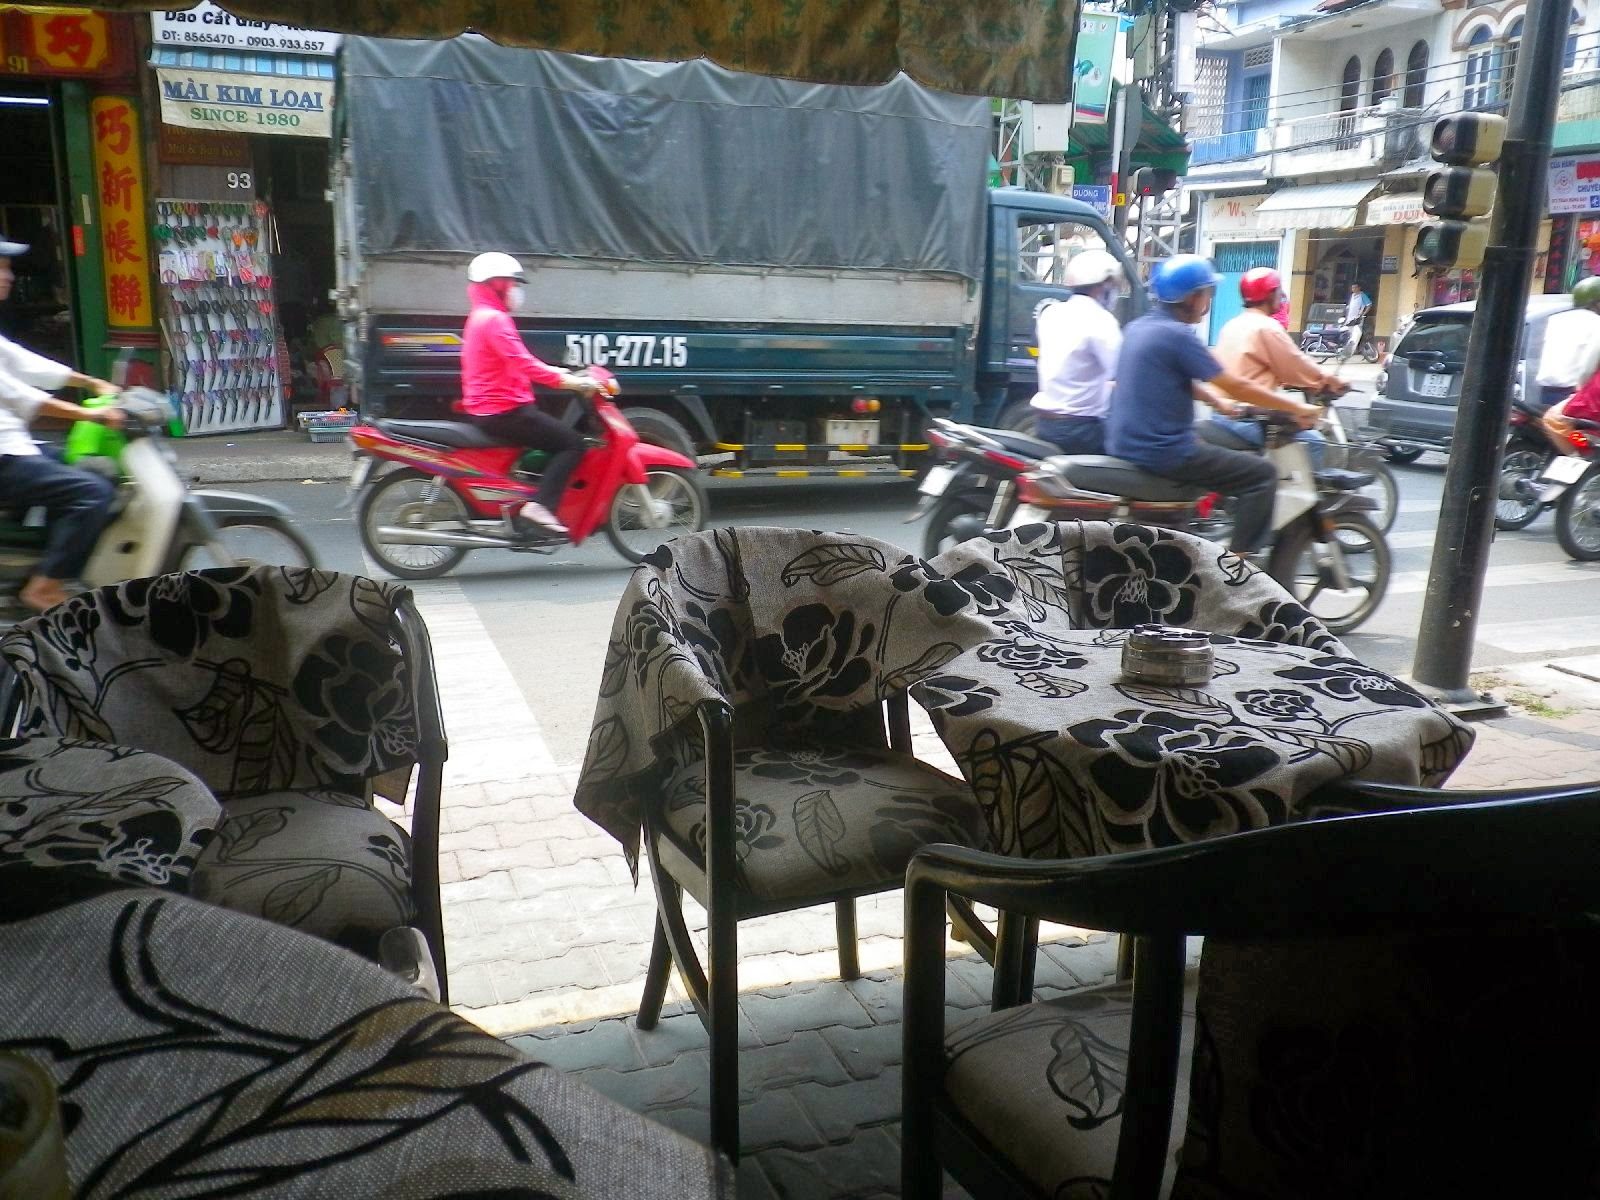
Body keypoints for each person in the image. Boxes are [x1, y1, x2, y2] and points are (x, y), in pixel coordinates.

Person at [1105, 254, 1322, 557]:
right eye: (1207, 293)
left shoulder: (1139, 327)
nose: (1208, 300)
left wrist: (1216, 400)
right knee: (1261, 475)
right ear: (1193, 297)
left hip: (1125, 442)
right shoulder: (1178, 335)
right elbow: (1235, 384)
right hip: (1163, 451)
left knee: (1212, 449)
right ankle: (1237, 569)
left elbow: (1174, 378)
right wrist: (1295, 406)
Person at [0, 234, 125, 613]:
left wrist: (89, 382)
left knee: (92, 472)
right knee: (91, 494)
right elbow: (22, 396)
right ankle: (43, 587)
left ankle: (48, 564)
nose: (8, 276)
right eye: (1, 268)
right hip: (5, 456)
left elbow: (26, 362)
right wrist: (91, 413)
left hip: (14, 444)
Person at [459, 252, 601, 535]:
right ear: (496, 283)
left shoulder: (481, 316)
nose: (516, 290)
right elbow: (524, 363)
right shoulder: (494, 319)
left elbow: (519, 361)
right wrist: (568, 382)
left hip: (493, 408)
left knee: (550, 435)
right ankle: (540, 508)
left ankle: (525, 498)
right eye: (513, 284)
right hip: (503, 411)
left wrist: (563, 373)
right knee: (572, 444)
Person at [1208, 267, 1350, 470]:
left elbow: (1261, 366)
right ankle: (1310, 501)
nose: (1281, 297)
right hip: (1246, 419)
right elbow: (1295, 362)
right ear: (1270, 294)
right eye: (1278, 292)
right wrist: (1329, 379)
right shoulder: (1267, 327)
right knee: (1314, 442)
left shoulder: (1233, 324)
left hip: (1223, 413)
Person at [1029, 249, 1124, 454]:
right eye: (1113, 286)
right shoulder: (1102, 321)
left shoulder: (1051, 313)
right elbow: (1121, 373)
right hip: (1083, 430)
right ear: (1104, 287)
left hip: (1045, 424)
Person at [1533, 276, 1600, 414]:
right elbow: (1588, 367)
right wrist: (1581, 390)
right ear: (1597, 303)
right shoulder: (1596, 323)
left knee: (1551, 433)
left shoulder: (1556, 320)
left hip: (1546, 390)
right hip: (1573, 393)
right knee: (1577, 435)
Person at [1340, 281, 1372, 360]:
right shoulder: (1352, 295)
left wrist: (1363, 314)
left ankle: (1351, 351)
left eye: (1355, 287)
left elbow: (1369, 305)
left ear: (1359, 288)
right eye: (1352, 287)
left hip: (1357, 319)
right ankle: (1350, 350)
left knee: (1356, 334)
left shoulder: (1362, 295)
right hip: (1349, 319)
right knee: (1349, 335)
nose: (1353, 289)